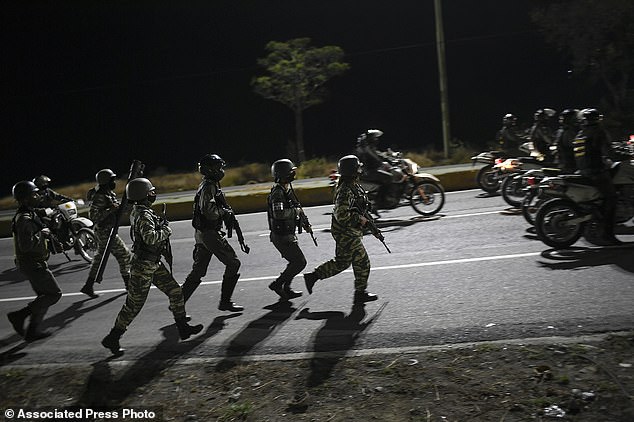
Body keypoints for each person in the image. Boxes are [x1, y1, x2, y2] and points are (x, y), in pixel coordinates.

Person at [101, 177, 203, 355]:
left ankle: (183, 328)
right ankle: (113, 337)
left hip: (152, 263)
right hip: (143, 267)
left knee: (175, 292)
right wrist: (166, 229)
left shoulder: (140, 211)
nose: (153, 194)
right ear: (142, 195)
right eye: (150, 192)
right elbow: (150, 238)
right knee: (133, 306)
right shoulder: (142, 214)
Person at [303, 155, 379, 304]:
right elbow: (341, 215)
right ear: (352, 171)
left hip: (350, 231)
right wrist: (361, 220)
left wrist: (372, 227)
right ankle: (360, 293)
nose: (360, 170)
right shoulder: (345, 191)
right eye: (357, 167)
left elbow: (361, 209)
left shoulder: (354, 185)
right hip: (346, 232)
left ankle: (313, 276)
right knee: (363, 262)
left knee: (342, 263)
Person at [181, 154, 244, 312]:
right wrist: (224, 212)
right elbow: (208, 210)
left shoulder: (210, 184)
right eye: (219, 167)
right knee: (233, 263)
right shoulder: (209, 186)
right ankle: (225, 302)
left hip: (203, 233)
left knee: (199, 271)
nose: (222, 170)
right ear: (211, 169)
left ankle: (177, 303)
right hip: (209, 233)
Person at [7, 180, 62, 341]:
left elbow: (39, 215)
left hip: (33, 263)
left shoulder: (29, 213)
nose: (37, 196)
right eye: (34, 194)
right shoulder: (23, 218)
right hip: (32, 264)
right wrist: (42, 234)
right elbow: (25, 245)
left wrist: (50, 213)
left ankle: (32, 331)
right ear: (24, 199)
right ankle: (19, 316)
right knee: (54, 294)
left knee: (43, 298)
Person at [80, 169, 132, 298]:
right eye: (111, 180)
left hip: (107, 230)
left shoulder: (107, 193)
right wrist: (110, 209)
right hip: (105, 231)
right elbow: (93, 216)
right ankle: (129, 285)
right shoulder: (100, 196)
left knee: (99, 259)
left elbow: (114, 208)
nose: (114, 182)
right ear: (105, 181)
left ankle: (88, 286)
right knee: (124, 255)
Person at [573, 108, 620, 244]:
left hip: (583, 170)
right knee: (611, 199)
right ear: (597, 119)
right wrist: (620, 155)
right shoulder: (599, 132)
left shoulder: (581, 133)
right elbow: (608, 152)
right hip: (596, 171)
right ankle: (607, 234)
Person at [266, 159, 307, 300]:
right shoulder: (278, 193)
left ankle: (286, 288)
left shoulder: (286, 189)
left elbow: (294, 206)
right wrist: (295, 212)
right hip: (281, 235)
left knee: (295, 262)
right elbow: (279, 213)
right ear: (282, 174)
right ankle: (278, 284)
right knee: (299, 262)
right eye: (290, 172)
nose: (293, 174)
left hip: (287, 233)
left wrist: (303, 221)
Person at [554, 109, 580, 174]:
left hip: (565, 162)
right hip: (571, 164)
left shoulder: (562, 130)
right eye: (575, 117)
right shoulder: (569, 131)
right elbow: (575, 146)